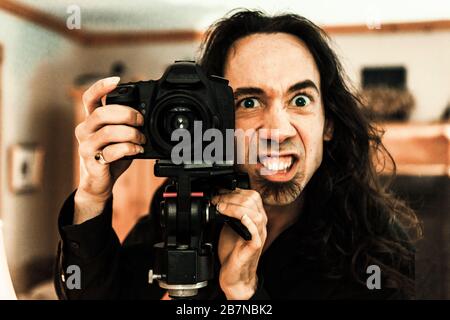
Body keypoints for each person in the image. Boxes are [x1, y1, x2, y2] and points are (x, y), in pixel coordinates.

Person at [54, 10, 421, 300]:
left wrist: (244, 295)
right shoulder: (184, 201)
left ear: (329, 123)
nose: (277, 130)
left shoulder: (377, 252)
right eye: (248, 102)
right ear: (217, 124)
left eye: (300, 100)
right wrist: (92, 196)